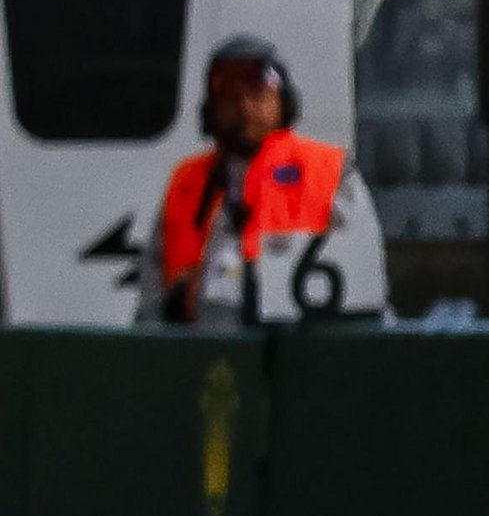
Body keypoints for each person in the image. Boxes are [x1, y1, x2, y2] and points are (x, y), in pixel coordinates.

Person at [149, 34, 377, 326]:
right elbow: (151, 300)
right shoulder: (186, 183)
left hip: (296, 346)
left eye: (257, 94)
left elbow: (362, 283)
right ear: (211, 109)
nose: (245, 107)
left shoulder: (331, 173)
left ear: (283, 102)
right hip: (201, 347)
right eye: (231, 97)